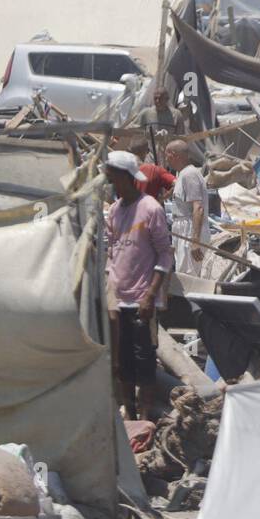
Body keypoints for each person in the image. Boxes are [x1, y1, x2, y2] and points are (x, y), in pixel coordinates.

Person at [104, 150, 174, 423]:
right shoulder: (114, 210)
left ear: (124, 176)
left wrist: (150, 294)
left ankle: (144, 418)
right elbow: (112, 253)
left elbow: (165, 254)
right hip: (118, 298)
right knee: (122, 362)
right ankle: (130, 414)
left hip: (142, 299)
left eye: (113, 175)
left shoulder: (150, 208)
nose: (110, 181)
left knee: (144, 360)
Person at [164, 139, 212, 277]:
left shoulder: (189, 174)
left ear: (174, 155)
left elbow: (198, 208)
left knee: (189, 275)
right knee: (182, 272)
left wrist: (195, 241)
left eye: (167, 155)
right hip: (182, 229)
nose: (166, 159)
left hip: (189, 230)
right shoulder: (182, 174)